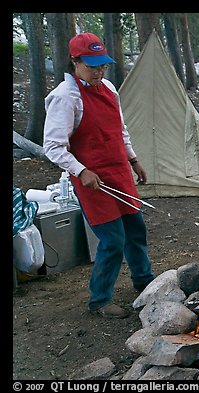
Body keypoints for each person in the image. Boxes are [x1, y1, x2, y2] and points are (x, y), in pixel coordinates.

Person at [43, 32, 155, 319]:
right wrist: (81, 171)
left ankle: (144, 282)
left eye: (102, 65)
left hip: (119, 171)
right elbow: (53, 147)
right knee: (113, 240)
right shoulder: (65, 97)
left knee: (135, 230)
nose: (99, 71)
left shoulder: (108, 88)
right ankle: (100, 300)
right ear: (75, 61)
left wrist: (133, 159)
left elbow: (120, 129)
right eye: (92, 66)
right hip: (92, 180)